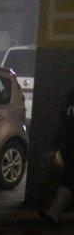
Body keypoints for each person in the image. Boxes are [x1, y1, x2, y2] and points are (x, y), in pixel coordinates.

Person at [40, 82, 74, 224]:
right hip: (69, 143)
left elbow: (64, 119)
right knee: (69, 179)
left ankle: (54, 212)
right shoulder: (71, 94)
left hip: (68, 143)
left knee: (69, 179)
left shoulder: (71, 93)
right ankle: (53, 213)